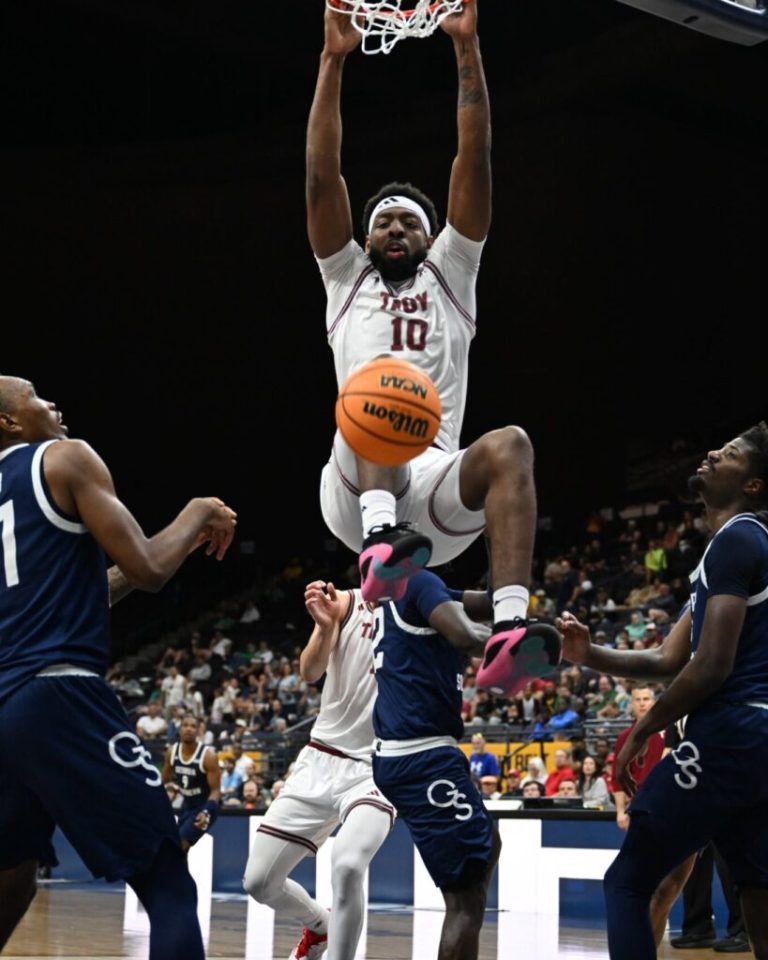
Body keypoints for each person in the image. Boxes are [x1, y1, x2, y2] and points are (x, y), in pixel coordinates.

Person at [306, 0, 560, 697]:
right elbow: (322, 176)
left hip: (435, 489)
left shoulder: (453, 273)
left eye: (410, 223)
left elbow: (473, 157)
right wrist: (333, 60)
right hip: (355, 484)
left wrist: (466, 48)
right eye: (384, 222)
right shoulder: (346, 277)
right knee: (380, 390)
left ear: (431, 236)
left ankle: (510, 628)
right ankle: (379, 547)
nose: (396, 229)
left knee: (510, 444)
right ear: (365, 240)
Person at [0, 375, 237, 958]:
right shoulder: (65, 458)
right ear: (9, 422)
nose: (52, 403)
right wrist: (198, 510)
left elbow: (83, 592)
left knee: (11, 879)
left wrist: (166, 546)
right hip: (59, 695)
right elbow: (151, 567)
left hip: (6, 706)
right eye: (34, 395)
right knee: (168, 881)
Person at [558, 421, 768, 960]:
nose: (712, 452)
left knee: (627, 881)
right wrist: (589, 654)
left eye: (730, 453)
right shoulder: (733, 548)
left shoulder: (738, 538)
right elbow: (666, 659)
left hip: (732, 730)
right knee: (758, 896)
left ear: (752, 485)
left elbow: (712, 665)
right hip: (756, 742)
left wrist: (642, 730)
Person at [243, 580, 396, 960]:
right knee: (259, 882)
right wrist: (325, 627)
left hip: (377, 766)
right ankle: (319, 925)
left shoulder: (426, 609)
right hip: (321, 756)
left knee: (348, 866)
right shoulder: (347, 602)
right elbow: (310, 672)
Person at [370, 569, 501, 960]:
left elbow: (490, 601)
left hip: (417, 752)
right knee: (465, 896)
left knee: (488, 847)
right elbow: (466, 636)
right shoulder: (418, 580)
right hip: (421, 753)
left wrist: (508, 578)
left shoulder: (416, 588)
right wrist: (521, 646)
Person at [162, 714, 221, 854]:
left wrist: (206, 812)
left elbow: (216, 791)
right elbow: (164, 780)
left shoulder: (208, 756)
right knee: (180, 851)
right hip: (186, 806)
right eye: (185, 725)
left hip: (205, 807)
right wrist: (171, 788)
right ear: (179, 730)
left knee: (178, 845)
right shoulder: (171, 752)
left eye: (193, 726)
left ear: (199, 731)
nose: (189, 729)